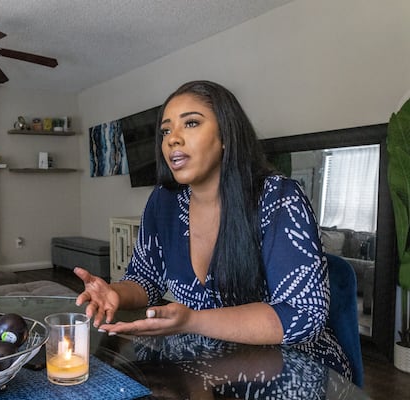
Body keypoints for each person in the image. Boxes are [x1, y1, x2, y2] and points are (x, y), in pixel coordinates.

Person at [75, 80, 351, 379]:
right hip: (202, 359)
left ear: (226, 136)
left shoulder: (278, 198)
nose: (172, 140)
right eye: (166, 130)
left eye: (190, 123)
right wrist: (115, 292)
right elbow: (145, 279)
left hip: (290, 367)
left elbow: (302, 315)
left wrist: (192, 320)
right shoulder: (163, 201)